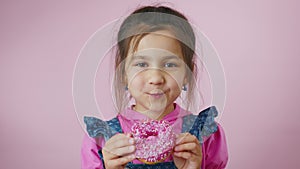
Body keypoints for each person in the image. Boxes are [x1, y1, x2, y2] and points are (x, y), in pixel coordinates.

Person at [81, 5, 228, 169]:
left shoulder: (206, 135)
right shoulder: (101, 140)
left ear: (188, 73)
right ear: (123, 73)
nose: (156, 78)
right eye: (142, 64)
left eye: (169, 64)